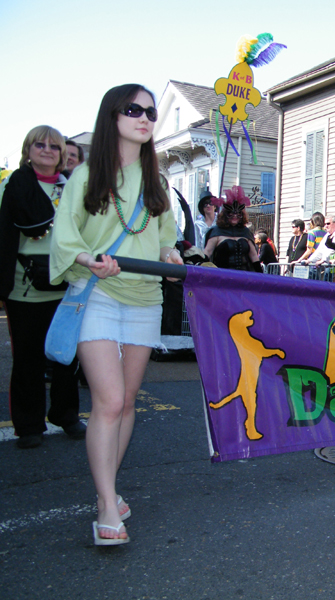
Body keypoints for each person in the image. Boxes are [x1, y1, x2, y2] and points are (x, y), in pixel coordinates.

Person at [49, 83, 183, 545]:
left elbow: (166, 236)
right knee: (107, 402)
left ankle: (109, 488)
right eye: (134, 109)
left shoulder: (157, 182)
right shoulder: (86, 176)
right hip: (99, 295)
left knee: (126, 402)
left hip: (145, 298)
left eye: (150, 111)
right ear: (113, 116)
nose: (145, 117)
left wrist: (171, 257)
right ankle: (106, 502)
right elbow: (66, 238)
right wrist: (88, 260)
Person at [0, 125, 82, 449]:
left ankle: (66, 415)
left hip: (67, 284)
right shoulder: (13, 184)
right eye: (39, 144)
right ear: (28, 149)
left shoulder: (73, 188)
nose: (46, 149)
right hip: (26, 287)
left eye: (54, 145)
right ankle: (29, 424)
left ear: (63, 153)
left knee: (67, 356)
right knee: (28, 359)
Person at [203, 186, 260, 271]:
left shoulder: (245, 232)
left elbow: (254, 256)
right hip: (222, 278)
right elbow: (208, 252)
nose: (235, 216)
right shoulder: (216, 232)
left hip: (244, 278)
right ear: (225, 214)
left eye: (238, 214)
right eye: (231, 213)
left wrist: (260, 275)